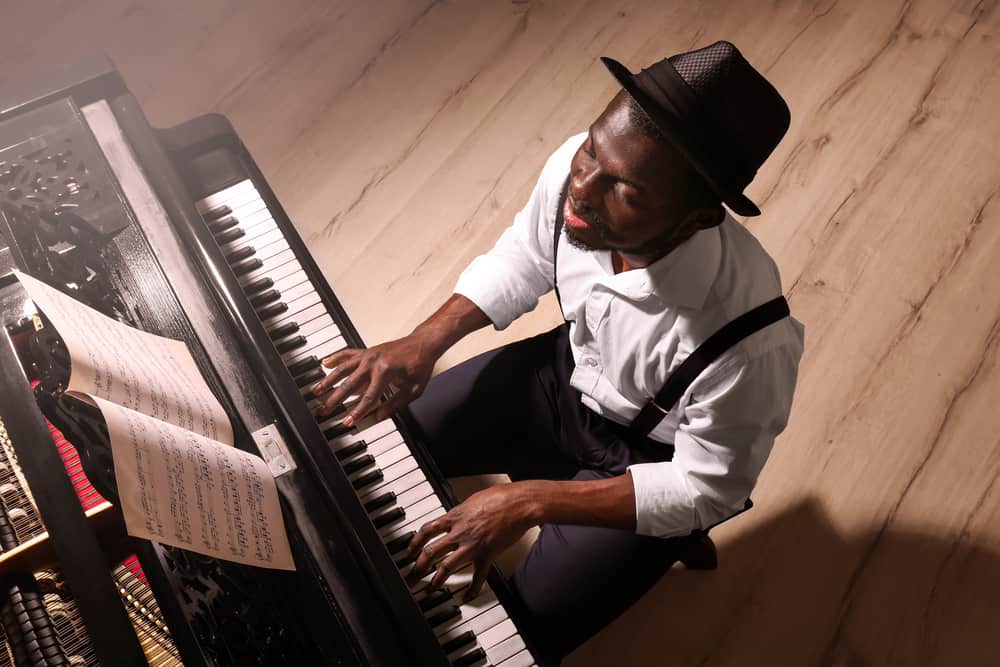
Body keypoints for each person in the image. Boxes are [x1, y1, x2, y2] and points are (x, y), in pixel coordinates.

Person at [312, 40, 806, 662]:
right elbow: (524, 256)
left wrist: (530, 499)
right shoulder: (582, 171)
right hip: (557, 377)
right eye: (591, 150)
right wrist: (424, 342)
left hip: (647, 459)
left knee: (521, 634)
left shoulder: (751, 340)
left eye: (623, 189)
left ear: (696, 220)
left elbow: (710, 486)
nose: (583, 187)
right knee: (373, 443)